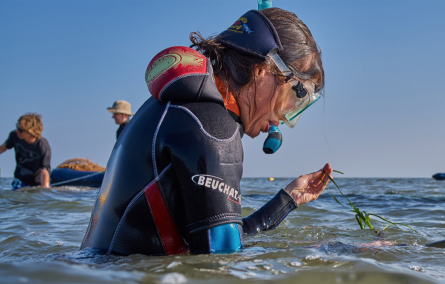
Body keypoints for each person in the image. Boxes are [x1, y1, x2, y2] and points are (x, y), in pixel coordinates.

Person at [81, 8, 331, 256]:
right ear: (262, 70)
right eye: (295, 96)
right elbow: (220, 267)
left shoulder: (179, 108)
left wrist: (288, 199)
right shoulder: (215, 132)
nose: (284, 117)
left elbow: (216, 236)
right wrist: (335, 253)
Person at [0, 113, 51, 189]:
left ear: (31, 131)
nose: (17, 131)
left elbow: (44, 171)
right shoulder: (14, 136)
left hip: (37, 182)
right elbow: (2, 148)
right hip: (20, 179)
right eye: (17, 127)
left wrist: (45, 191)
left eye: (20, 130)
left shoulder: (43, 146)